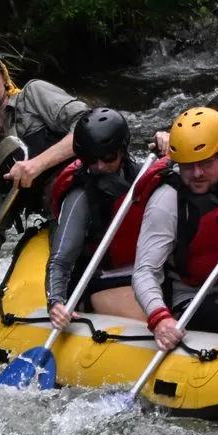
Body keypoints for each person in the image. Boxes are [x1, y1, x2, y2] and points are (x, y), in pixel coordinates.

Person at [0, 40, 88, 290]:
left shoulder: (34, 96)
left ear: (3, 76)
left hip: (88, 190)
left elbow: (90, 126)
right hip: (55, 214)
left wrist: (36, 165)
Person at [132, 107, 218, 351]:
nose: (196, 174)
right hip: (195, 299)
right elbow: (144, 272)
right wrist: (160, 318)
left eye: (205, 163)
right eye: (187, 166)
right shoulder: (166, 202)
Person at [46, 108, 155, 330]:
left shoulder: (144, 174)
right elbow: (60, 260)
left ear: (122, 151)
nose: (100, 167)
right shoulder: (81, 196)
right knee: (146, 320)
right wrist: (55, 301)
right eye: (91, 161)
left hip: (149, 272)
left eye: (108, 158)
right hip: (103, 279)